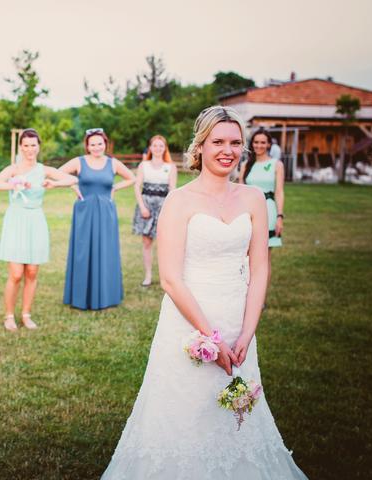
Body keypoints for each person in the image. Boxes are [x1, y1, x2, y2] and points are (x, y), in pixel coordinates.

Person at [101, 106, 306, 479]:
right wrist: (211, 338)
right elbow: (170, 279)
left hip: (238, 321)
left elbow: (260, 267)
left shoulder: (253, 198)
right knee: (185, 408)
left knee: (235, 412)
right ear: (200, 146)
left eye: (235, 143)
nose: (228, 151)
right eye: (218, 142)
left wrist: (247, 332)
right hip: (189, 320)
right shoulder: (180, 200)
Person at [0, 128, 78, 331]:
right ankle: (9, 315)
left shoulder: (44, 169)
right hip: (16, 219)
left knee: (32, 272)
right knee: (16, 274)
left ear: (38, 147)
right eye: (26, 145)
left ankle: (26, 314)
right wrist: (14, 184)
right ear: (21, 147)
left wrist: (54, 184)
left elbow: (73, 179)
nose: (30, 149)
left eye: (33, 145)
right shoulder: (14, 169)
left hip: (36, 219)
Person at [59, 128, 135, 310]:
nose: (96, 147)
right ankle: (81, 297)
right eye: (92, 144)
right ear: (87, 146)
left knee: (105, 250)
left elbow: (132, 178)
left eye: (99, 143)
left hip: (106, 212)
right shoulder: (79, 161)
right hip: (84, 211)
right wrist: (74, 185)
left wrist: (115, 188)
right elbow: (58, 173)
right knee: (82, 251)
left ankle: (105, 296)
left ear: (105, 144)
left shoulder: (112, 163)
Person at [239, 128, 285, 291]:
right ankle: (245, 292)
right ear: (252, 144)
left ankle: (260, 297)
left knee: (263, 258)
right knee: (245, 256)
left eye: (263, 142)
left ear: (269, 144)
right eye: (256, 142)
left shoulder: (276, 164)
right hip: (248, 213)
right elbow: (240, 192)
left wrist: (280, 216)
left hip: (268, 211)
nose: (259, 145)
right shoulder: (245, 165)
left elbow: (279, 191)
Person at [132, 134, 178, 286]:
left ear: (165, 148)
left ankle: (166, 276)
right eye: (155, 145)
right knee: (146, 242)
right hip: (146, 206)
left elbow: (172, 189)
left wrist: (169, 210)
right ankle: (148, 276)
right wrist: (142, 207)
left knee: (164, 243)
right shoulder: (143, 165)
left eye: (161, 146)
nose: (158, 148)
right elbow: (137, 186)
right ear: (150, 148)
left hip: (163, 206)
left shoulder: (170, 167)